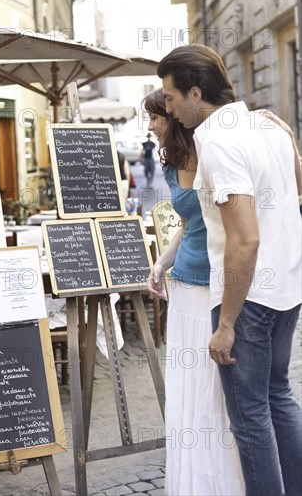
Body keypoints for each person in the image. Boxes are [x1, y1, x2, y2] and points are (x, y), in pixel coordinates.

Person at [156, 43, 302, 496]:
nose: (170, 107)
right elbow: (296, 188)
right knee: (278, 398)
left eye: (171, 97)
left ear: (195, 93)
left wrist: (227, 323)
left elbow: (245, 238)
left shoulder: (216, 139)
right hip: (287, 287)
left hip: (251, 296)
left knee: (251, 417)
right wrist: (291, 143)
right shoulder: (267, 125)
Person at [144, 88, 245, 495]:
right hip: (184, 285)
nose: (152, 124)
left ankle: (225, 480)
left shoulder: (214, 154)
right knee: (187, 384)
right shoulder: (172, 164)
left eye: (157, 115)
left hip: (217, 286)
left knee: (215, 389)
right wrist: (161, 263)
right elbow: (188, 222)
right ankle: (193, 481)